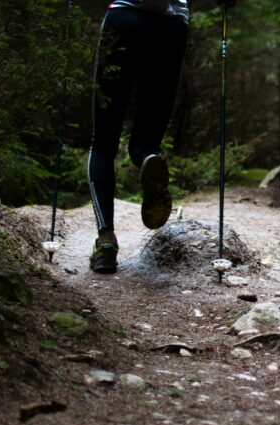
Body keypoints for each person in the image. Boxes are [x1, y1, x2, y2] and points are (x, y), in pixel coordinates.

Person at [87, 0, 190, 274]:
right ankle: (148, 158)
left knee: (104, 140)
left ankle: (106, 242)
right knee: (146, 141)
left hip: (125, 18)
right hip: (172, 28)